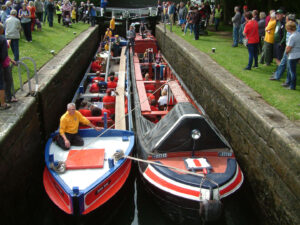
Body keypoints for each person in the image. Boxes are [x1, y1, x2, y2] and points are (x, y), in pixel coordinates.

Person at [270, 14, 297, 81]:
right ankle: (277, 76)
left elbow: (293, 40)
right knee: (283, 63)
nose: (286, 20)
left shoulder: (295, 29)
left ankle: (289, 82)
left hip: (291, 49)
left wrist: (287, 49)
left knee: (289, 66)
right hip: (288, 47)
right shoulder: (289, 27)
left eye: (287, 19)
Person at [285, 21, 300, 90]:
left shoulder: (292, 37)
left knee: (292, 72)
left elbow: (289, 47)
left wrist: (286, 52)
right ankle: (291, 84)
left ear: (289, 28)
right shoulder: (298, 34)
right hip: (298, 54)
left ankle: (292, 86)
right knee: (293, 71)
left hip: (292, 55)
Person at [0, 23, 11, 110]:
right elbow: (4, 55)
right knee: (1, 84)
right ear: (2, 30)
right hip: (1, 65)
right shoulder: (2, 39)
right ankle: (3, 103)